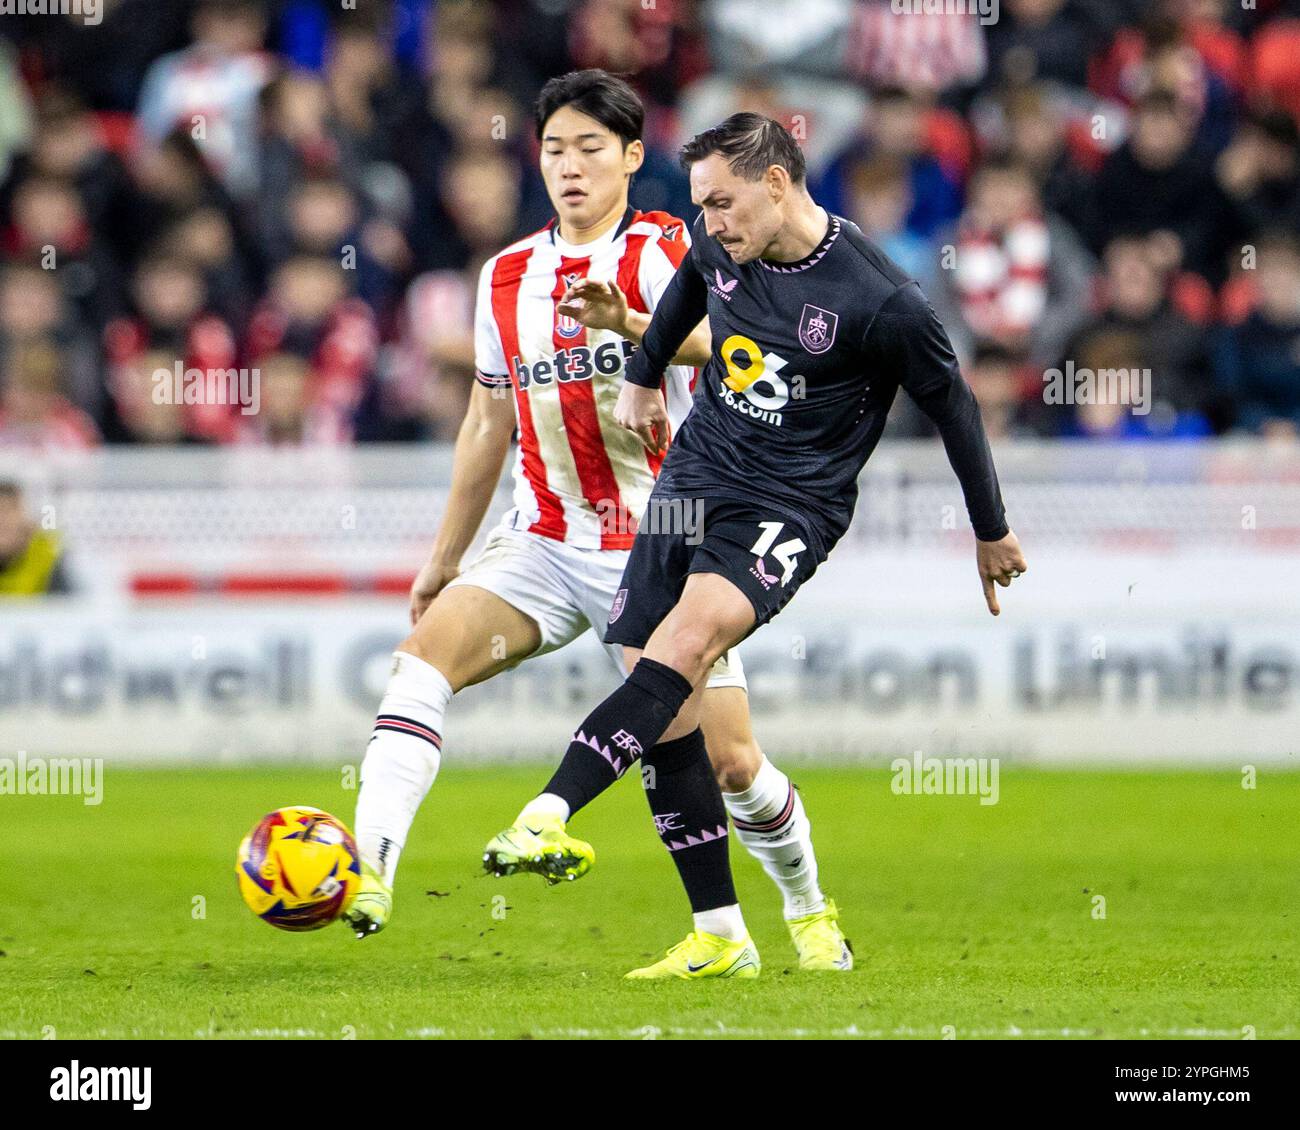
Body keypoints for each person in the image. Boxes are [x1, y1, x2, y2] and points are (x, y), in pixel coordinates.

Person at [487, 113, 1027, 980]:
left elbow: (953, 405)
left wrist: (990, 527)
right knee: (674, 705)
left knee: (685, 643)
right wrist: (639, 376)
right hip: (693, 479)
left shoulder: (882, 299)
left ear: (777, 184)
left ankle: (553, 810)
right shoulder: (723, 247)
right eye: (700, 204)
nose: (710, 223)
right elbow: (686, 292)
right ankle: (721, 935)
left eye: (723, 203)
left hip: (790, 504)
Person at [347, 72, 850, 972]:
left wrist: (643, 336)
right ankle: (368, 872)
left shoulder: (676, 248)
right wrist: (443, 561)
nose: (570, 167)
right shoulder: (505, 278)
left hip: (663, 537)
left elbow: (752, 349)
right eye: (553, 150)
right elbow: (486, 424)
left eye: (590, 149)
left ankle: (808, 912)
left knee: (729, 763)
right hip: (542, 535)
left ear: (630, 157)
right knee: (420, 665)